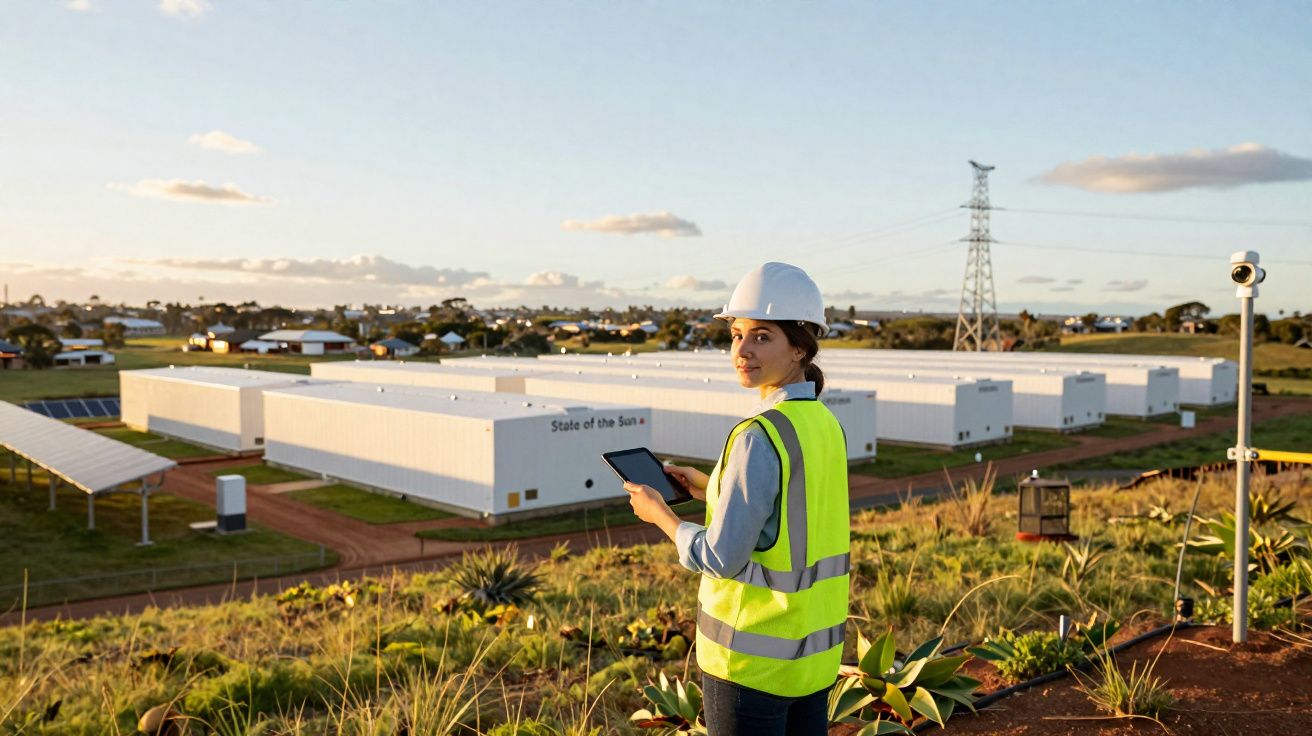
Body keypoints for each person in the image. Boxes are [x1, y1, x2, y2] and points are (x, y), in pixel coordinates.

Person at [625, 262, 851, 736]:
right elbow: (793, 512)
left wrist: (661, 516)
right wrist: (712, 487)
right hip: (811, 662)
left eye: (762, 337)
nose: (742, 351)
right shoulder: (823, 424)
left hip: (750, 667)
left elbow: (721, 558)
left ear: (800, 348)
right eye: (736, 335)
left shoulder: (758, 434)